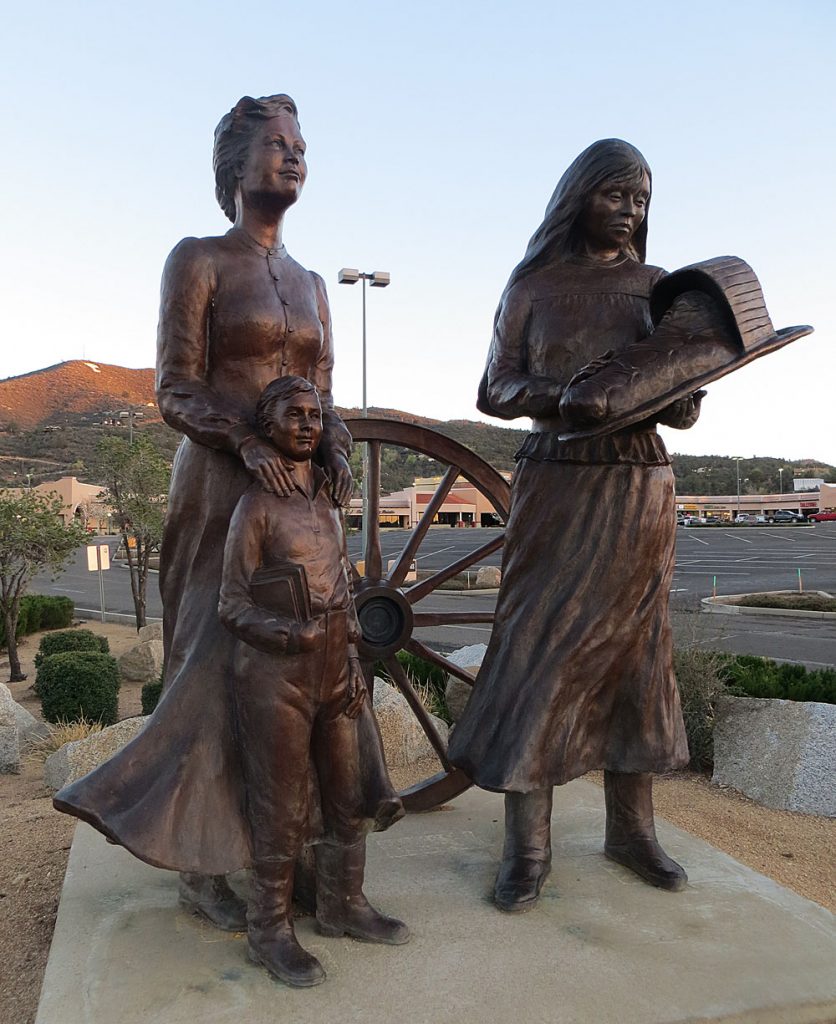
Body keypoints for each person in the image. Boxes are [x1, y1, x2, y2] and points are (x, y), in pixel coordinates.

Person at [54, 95, 398, 935]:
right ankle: (203, 857)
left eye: (301, 145)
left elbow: (323, 397)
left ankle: (317, 868)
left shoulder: (315, 284)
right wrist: (245, 441)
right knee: (210, 667)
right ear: (234, 167)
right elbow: (173, 386)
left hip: (299, 500)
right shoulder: (198, 259)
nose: (294, 156)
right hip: (218, 490)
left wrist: (338, 445)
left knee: (315, 666)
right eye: (276, 146)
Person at [448, 139, 702, 912]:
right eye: (616, 196)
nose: (629, 212)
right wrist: (569, 396)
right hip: (558, 482)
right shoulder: (535, 285)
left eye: (641, 200)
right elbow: (495, 388)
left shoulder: (659, 289)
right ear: (579, 198)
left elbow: (685, 403)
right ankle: (527, 848)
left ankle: (632, 829)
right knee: (538, 649)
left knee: (639, 655)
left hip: (638, 486)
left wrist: (671, 385)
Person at [218, 375, 408, 987]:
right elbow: (231, 604)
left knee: (345, 793)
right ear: (267, 426)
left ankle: (342, 903)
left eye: (314, 414)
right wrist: (284, 634)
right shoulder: (256, 507)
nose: (306, 424)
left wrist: (351, 653)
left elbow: (344, 587)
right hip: (276, 676)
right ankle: (269, 929)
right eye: (293, 415)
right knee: (280, 806)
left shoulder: (326, 502)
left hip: (334, 668)